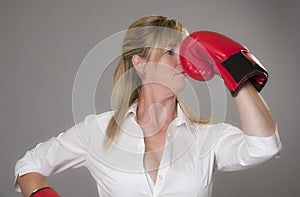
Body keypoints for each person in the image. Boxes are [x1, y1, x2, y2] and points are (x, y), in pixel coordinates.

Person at [14, 15, 282, 197]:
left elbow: (265, 147)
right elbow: (29, 166)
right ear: (140, 65)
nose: (183, 62)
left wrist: (235, 70)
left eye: (186, 53)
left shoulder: (206, 138)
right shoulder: (98, 131)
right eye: (169, 53)